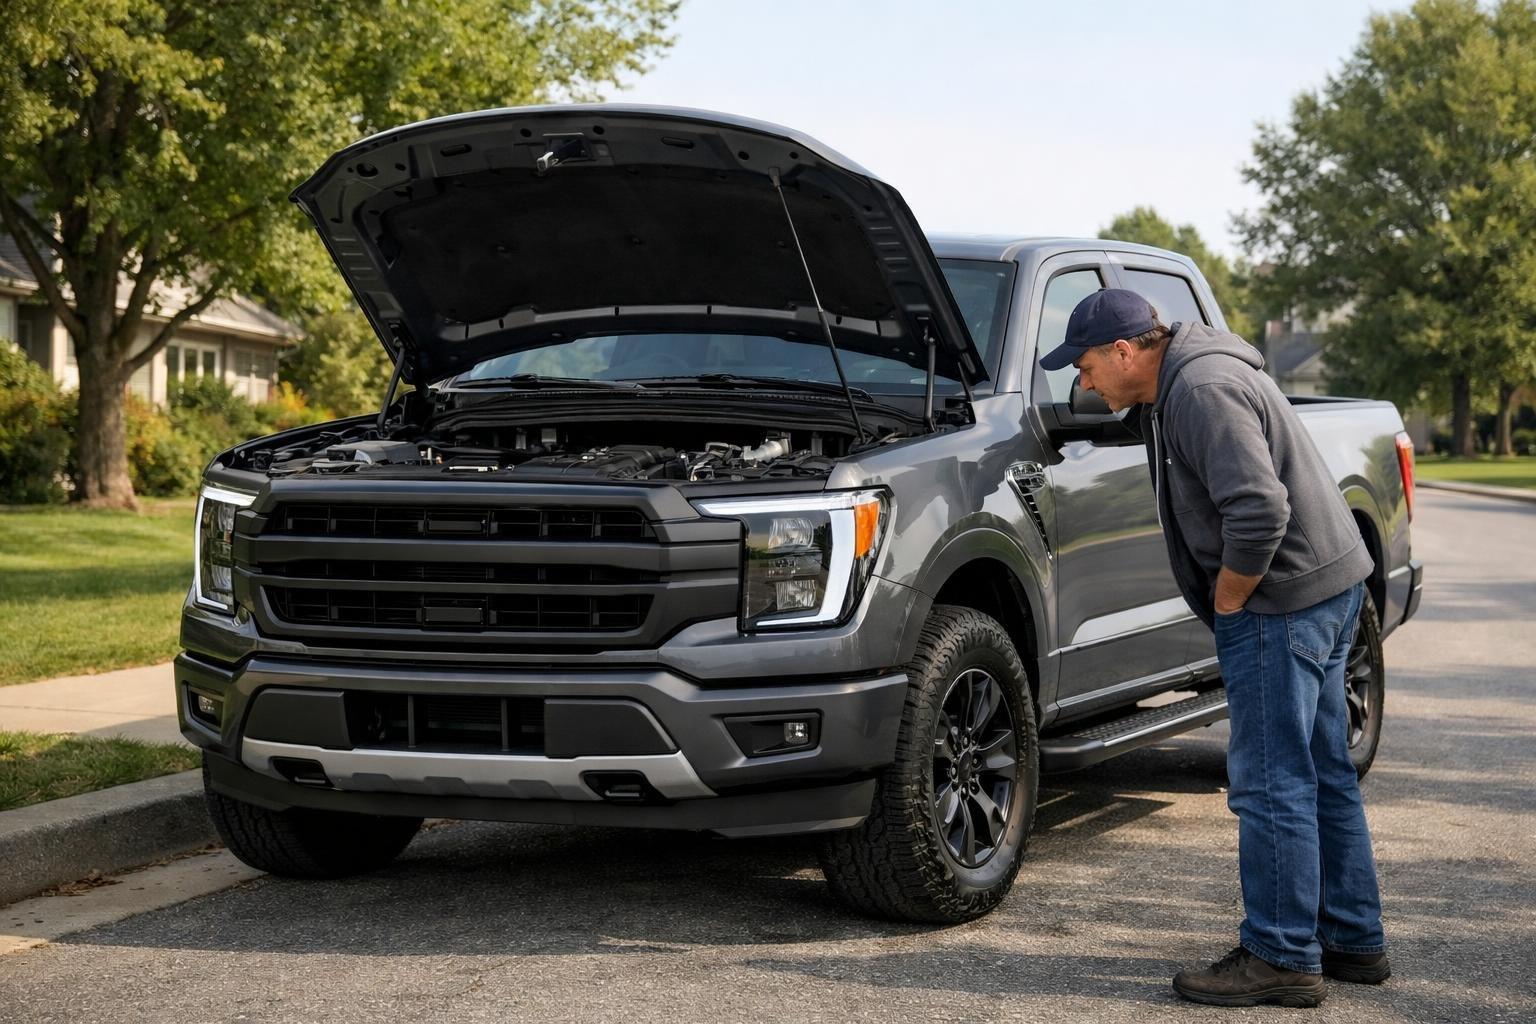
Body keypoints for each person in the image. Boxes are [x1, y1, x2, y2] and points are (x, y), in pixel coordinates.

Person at [1039, 289, 1389, 1008]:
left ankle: (1281, 955)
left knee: (1271, 782)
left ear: (1125, 351)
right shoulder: (1189, 380)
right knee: (1322, 770)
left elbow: (1259, 509)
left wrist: (1231, 595)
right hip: (1327, 587)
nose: (1083, 383)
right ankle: (1352, 939)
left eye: (1084, 366)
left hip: (1280, 601)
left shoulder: (1200, 389)